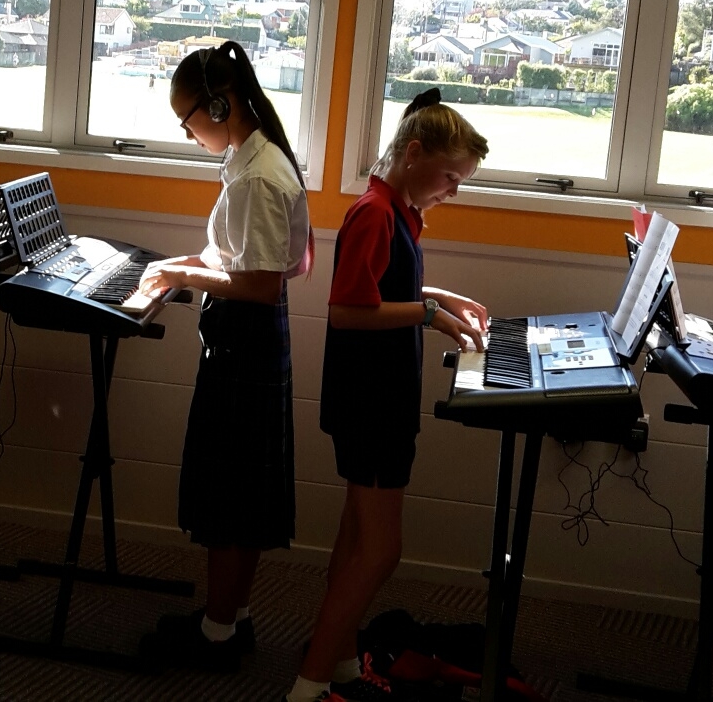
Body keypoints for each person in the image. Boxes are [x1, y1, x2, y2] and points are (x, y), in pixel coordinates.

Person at [285, 88, 489, 702]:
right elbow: (348, 310)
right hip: (371, 403)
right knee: (381, 551)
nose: (454, 191)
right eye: (451, 177)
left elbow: (385, 287)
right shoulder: (374, 212)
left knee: (356, 537)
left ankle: (342, 663)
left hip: (375, 398)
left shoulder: (396, 209)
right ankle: (310, 683)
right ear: (414, 153)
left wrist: (438, 297)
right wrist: (428, 316)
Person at [135, 40, 312, 672]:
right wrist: (179, 264)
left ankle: (218, 636)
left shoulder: (259, 175)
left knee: (231, 498)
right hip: (248, 341)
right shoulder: (247, 158)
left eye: (187, 120)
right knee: (239, 492)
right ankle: (228, 617)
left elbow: (259, 284)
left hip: (247, 345)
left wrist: (183, 277)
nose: (187, 133)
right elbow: (237, 256)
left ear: (218, 105)